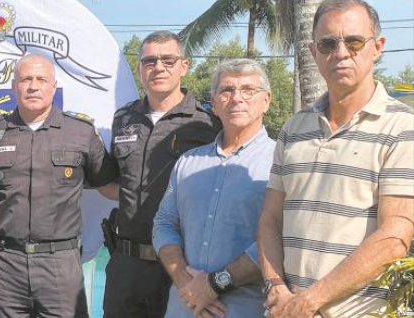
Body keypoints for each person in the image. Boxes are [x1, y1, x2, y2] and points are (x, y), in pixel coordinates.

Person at [257, 1, 413, 317]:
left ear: (377, 47)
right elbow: (270, 220)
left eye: (354, 41)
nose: (340, 52)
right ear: (314, 53)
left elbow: (394, 236)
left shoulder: (403, 127)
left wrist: (309, 301)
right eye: (328, 44)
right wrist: (276, 287)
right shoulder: (293, 127)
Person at [0, 54, 116, 317]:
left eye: (41, 79)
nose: (33, 86)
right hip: (6, 263)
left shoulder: (81, 132)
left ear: (53, 86)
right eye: (25, 79)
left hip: (60, 262)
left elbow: (109, 186)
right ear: (14, 87)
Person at [103, 30, 221, 318]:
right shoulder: (123, 119)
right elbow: (111, 183)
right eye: (149, 61)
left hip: (183, 268)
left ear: (184, 66)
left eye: (168, 60)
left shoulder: (208, 123)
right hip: (126, 266)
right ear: (139, 68)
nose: (158, 68)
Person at [153, 58, 276, 318]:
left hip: (246, 309)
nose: (237, 98)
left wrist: (214, 283)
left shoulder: (281, 163)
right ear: (214, 101)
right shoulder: (188, 161)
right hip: (184, 307)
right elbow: (163, 223)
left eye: (248, 90)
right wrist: (185, 280)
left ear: (266, 100)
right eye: (226, 90)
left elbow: (281, 234)